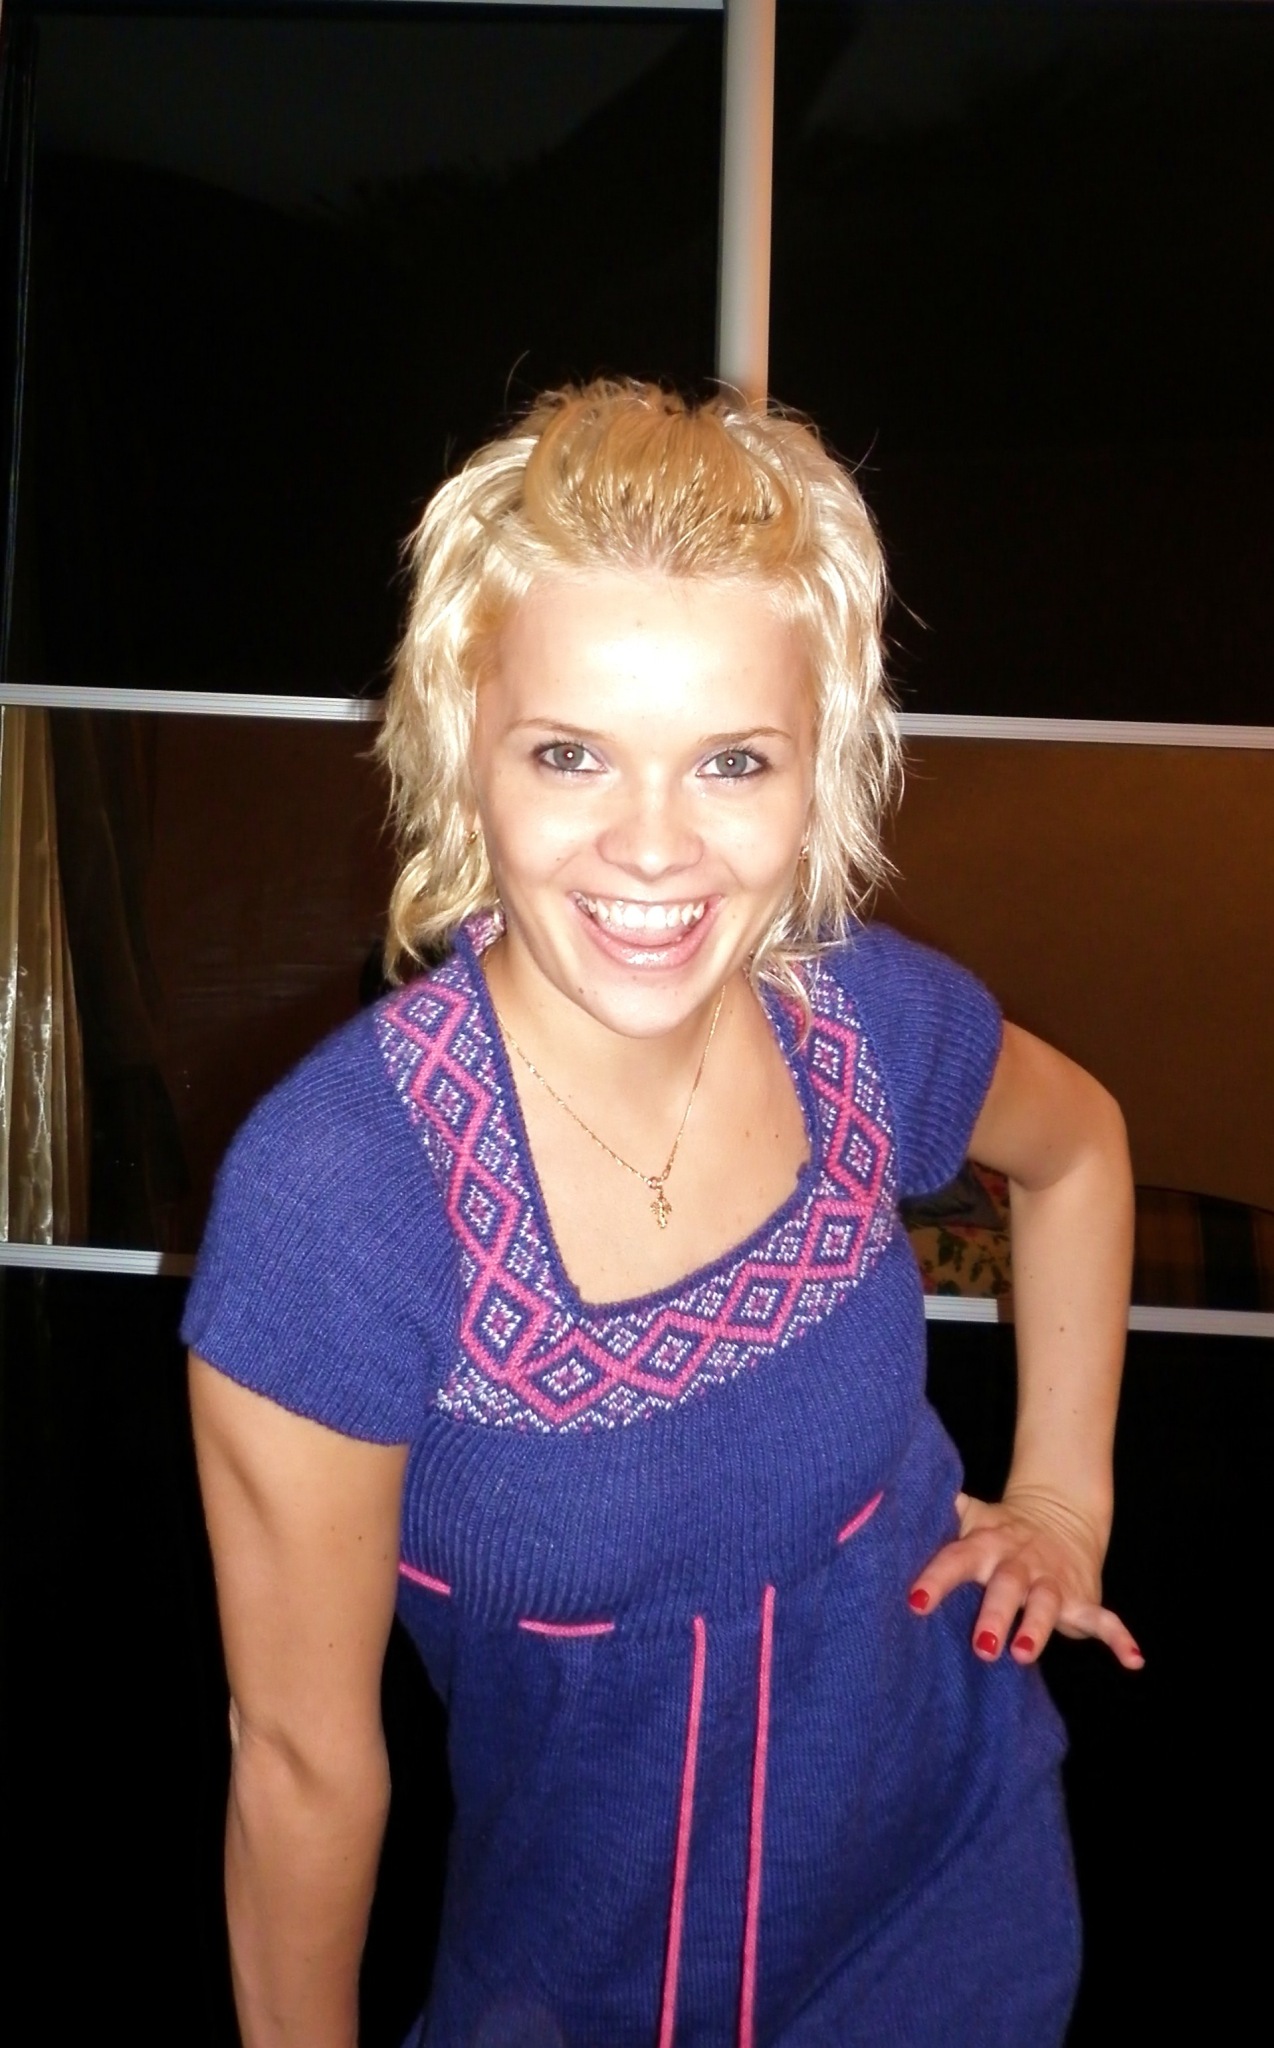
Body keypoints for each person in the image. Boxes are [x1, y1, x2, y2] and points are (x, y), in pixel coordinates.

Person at [185, 379, 1141, 2048]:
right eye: (569, 753)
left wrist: (1061, 1497)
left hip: (951, 1896)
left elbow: (1077, 1152)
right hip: (581, 1992)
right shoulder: (339, 1206)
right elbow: (302, 1766)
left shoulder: (863, 1020)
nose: (650, 849)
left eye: (731, 762)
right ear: (462, 752)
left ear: (818, 772)